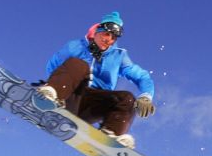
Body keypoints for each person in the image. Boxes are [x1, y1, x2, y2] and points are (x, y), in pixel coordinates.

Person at [35, 11, 155, 149]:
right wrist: (55, 84)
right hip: (70, 97)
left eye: (113, 38)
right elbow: (52, 67)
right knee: (78, 64)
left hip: (92, 106)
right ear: (98, 30)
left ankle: (111, 136)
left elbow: (141, 76)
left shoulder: (119, 56)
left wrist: (146, 96)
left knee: (127, 99)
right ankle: (49, 97)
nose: (109, 40)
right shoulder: (76, 46)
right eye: (106, 34)